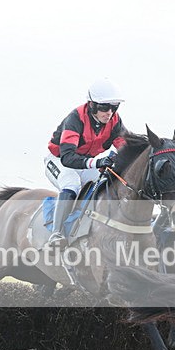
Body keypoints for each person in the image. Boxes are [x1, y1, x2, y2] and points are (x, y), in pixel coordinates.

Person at [44, 78, 127, 247]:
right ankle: (56, 233)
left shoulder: (115, 121)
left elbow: (126, 149)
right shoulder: (75, 119)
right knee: (71, 183)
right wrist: (96, 162)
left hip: (83, 162)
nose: (109, 112)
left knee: (108, 182)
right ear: (92, 105)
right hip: (60, 160)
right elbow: (68, 158)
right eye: (104, 107)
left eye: (114, 107)